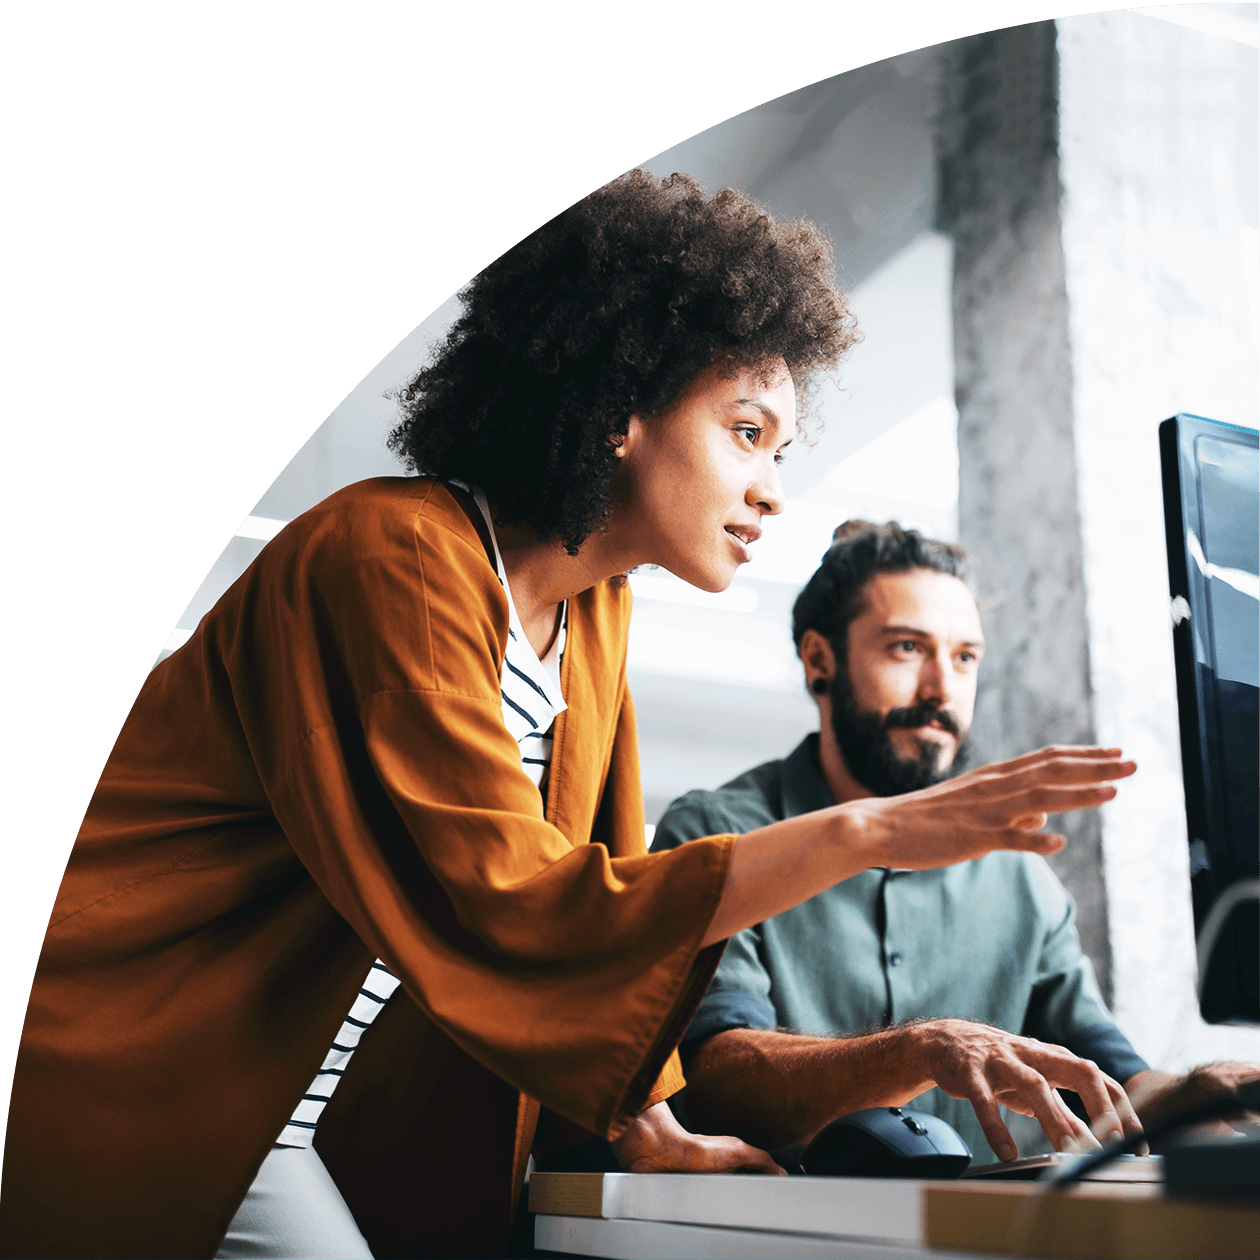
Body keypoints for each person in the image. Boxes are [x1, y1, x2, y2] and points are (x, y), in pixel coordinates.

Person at [3, 175, 1140, 1260]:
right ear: (621, 409)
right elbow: (515, 899)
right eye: (746, 433)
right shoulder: (392, 555)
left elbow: (598, 890)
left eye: (780, 452)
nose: (771, 489)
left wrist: (655, 1133)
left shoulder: (593, 615)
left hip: (269, 1108)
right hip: (124, 1052)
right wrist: (871, 831)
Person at [652, 520, 1258, 1164]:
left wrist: (1204, 1092)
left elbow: (1112, 1086)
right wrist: (918, 1051)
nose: (942, 688)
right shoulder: (718, 834)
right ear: (819, 660)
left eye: (965, 657)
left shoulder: (1018, 872)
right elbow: (712, 1080)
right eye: (907, 648)